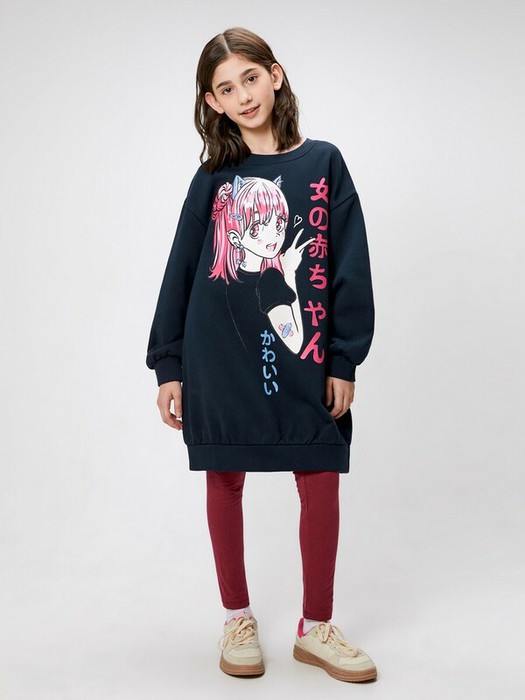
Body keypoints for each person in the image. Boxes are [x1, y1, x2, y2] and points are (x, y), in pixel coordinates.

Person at [145, 27, 377, 683]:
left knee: (320, 473)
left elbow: (349, 267)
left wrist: (343, 359)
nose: (242, 95)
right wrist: (168, 364)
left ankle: (315, 627)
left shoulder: (324, 163)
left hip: (303, 352)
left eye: (249, 77)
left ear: (274, 75)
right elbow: (180, 270)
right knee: (224, 476)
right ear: (212, 103)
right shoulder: (213, 179)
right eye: (225, 88)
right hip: (216, 355)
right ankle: (236, 619)